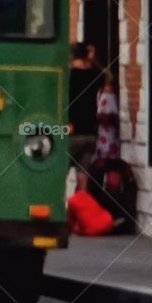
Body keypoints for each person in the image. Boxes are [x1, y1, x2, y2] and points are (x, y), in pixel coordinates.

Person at [68, 42, 102, 191]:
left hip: (70, 131)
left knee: (59, 173)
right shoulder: (94, 75)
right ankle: (80, 210)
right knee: (83, 177)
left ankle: (62, 212)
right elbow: (107, 75)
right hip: (90, 133)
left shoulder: (68, 75)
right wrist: (92, 59)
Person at [95, 68, 121, 162]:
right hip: (107, 131)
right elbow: (103, 114)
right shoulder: (106, 97)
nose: (110, 88)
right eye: (108, 85)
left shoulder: (107, 96)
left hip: (109, 131)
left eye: (111, 85)